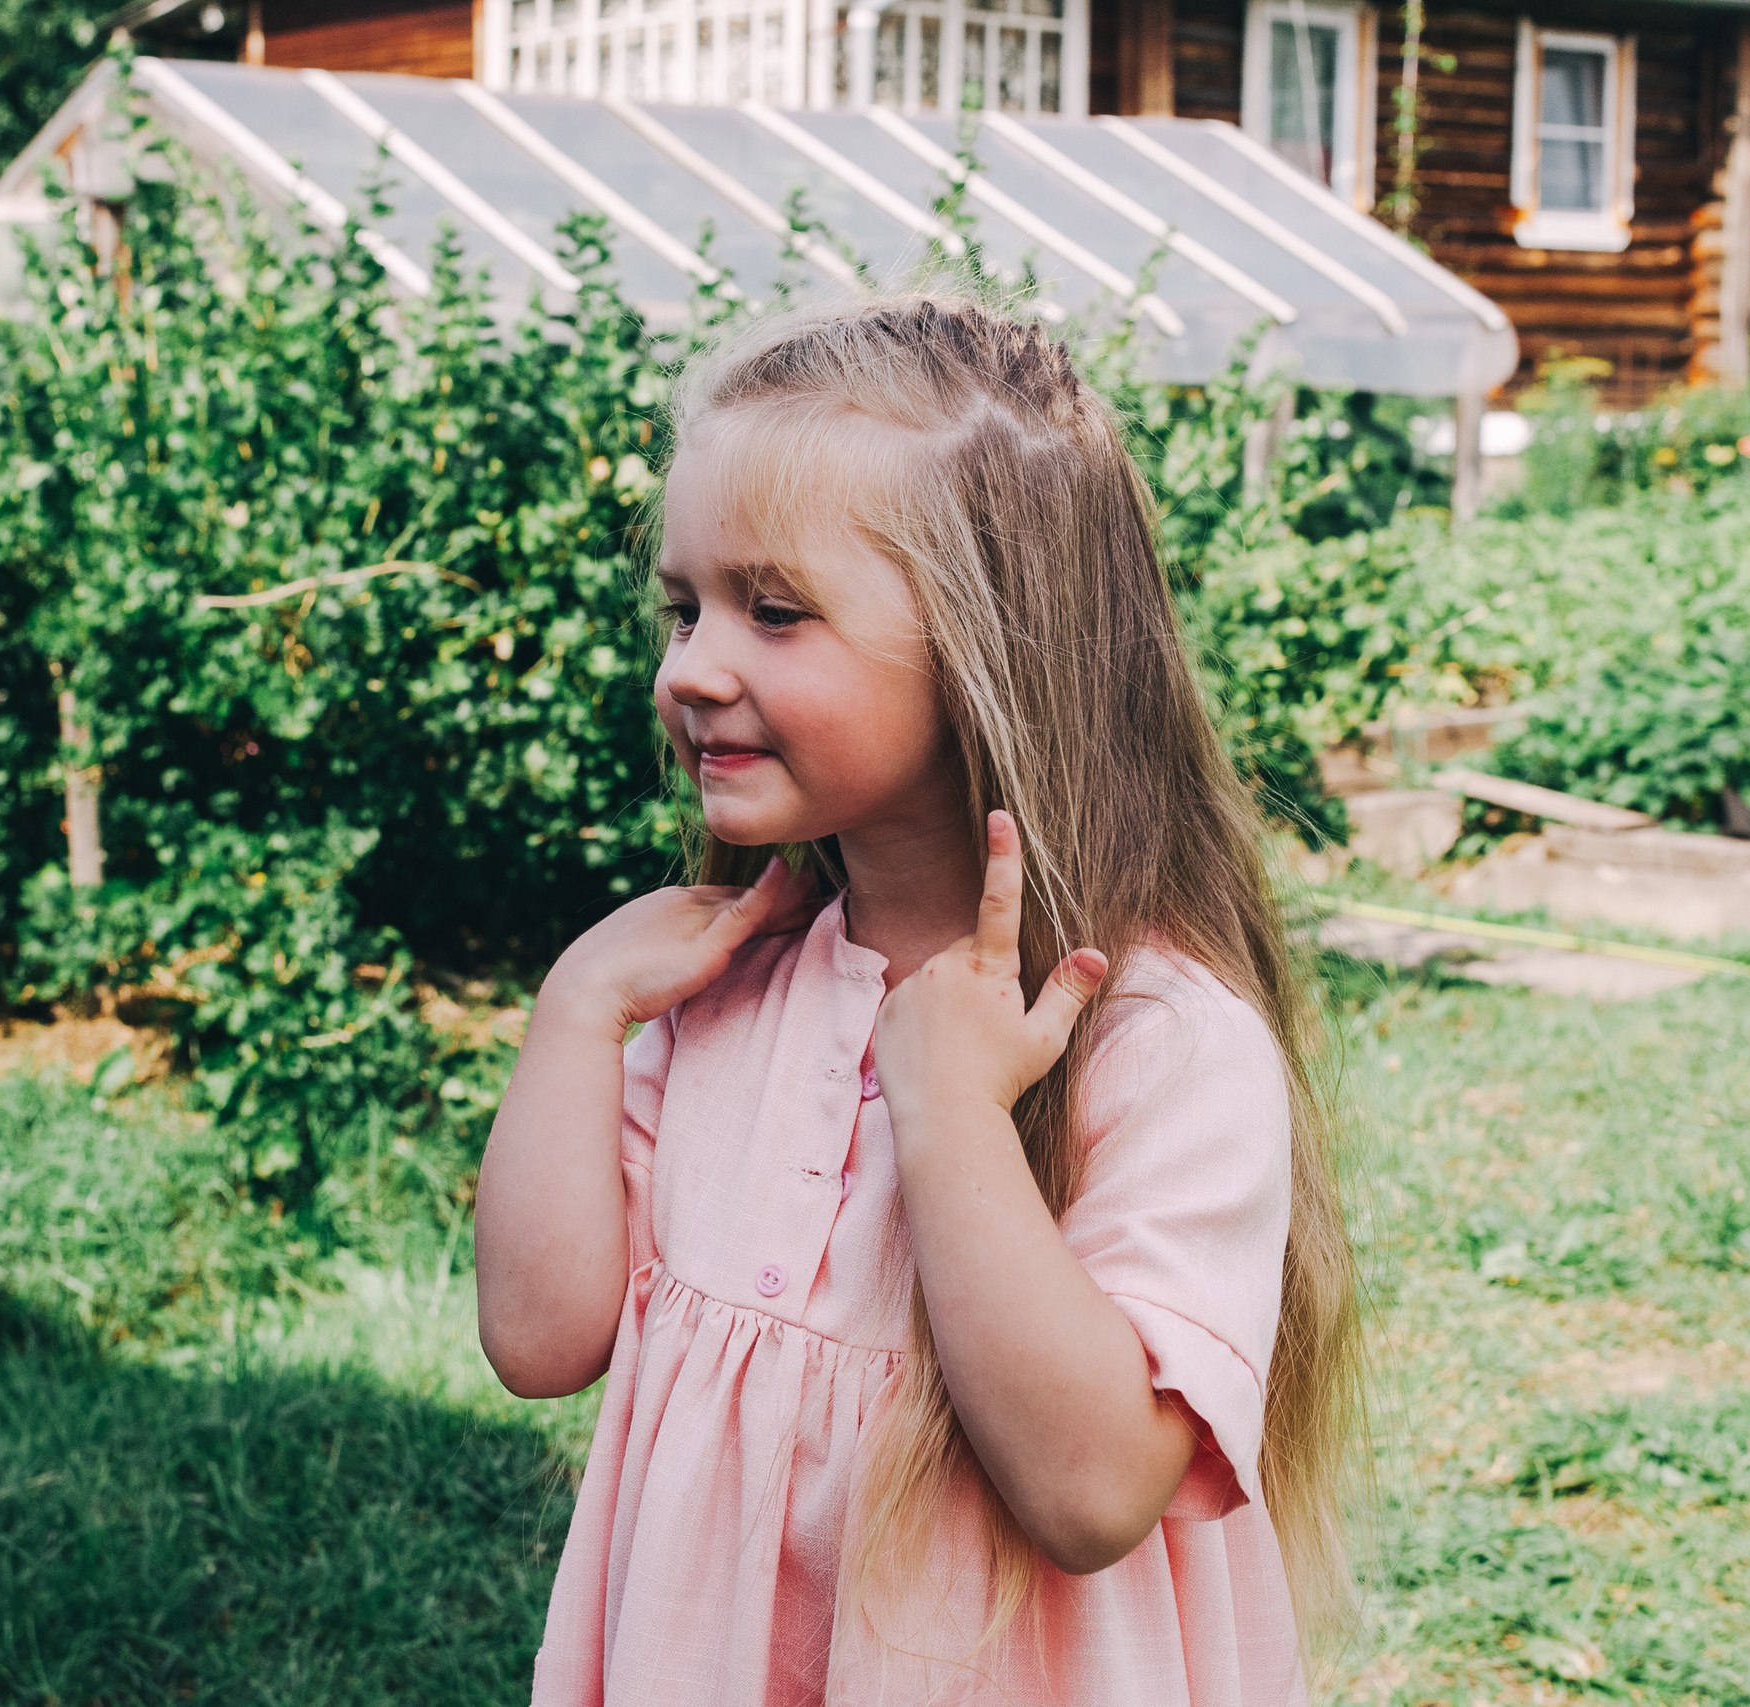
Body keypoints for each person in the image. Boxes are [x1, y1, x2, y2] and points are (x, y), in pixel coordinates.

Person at [473, 295, 1361, 1706]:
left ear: (991, 645)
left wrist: (950, 1113)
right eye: (683, 606)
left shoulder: (1155, 1044)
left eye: (775, 611)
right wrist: (577, 1012)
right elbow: (537, 1340)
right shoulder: (730, 996)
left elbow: (1090, 1495)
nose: (692, 667)